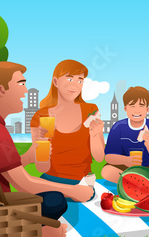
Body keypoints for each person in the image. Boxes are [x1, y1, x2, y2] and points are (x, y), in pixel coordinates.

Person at [0, 61, 94, 237]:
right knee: (55, 200)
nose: (25, 91)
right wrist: (73, 190)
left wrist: (28, 157)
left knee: (51, 197)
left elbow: (0, 166)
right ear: (2, 90)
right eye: (21, 84)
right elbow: (23, 184)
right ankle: (31, 234)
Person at [30, 60, 105, 194]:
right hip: (50, 182)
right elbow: (41, 167)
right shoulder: (42, 116)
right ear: (55, 81)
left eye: (80, 80)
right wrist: (42, 147)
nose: (75, 85)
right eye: (70, 79)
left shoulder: (90, 110)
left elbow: (99, 157)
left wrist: (95, 134)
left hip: (83, 184)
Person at [101, 86, 149, 183]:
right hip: (125, 170)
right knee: (107, 171)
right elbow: (109, 157)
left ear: (147, 109)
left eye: (141, 106)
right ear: (126, 108)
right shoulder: (118, 127)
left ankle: (134, 183)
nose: (137, 110)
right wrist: (126, 160)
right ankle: (141, 183)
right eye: (132, 106)